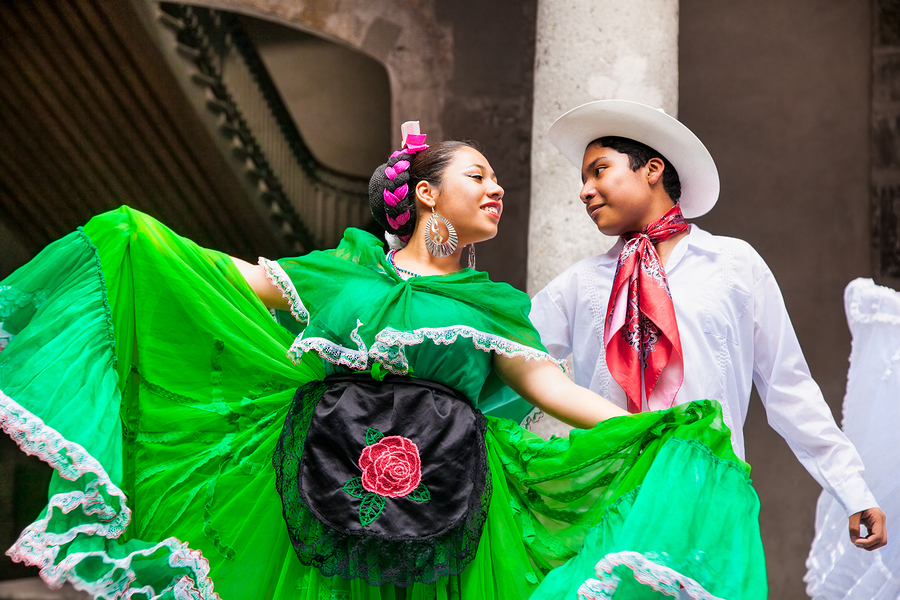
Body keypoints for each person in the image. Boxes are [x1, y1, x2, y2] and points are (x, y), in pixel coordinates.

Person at [1, 122, 765, 599]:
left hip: (452, 505)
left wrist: (654, 430)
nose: (497, 188)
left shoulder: (494, 306)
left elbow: (550, 387)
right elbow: (222, 278)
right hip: (316, 487)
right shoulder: (342, 276)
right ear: (428, 193)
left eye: (498, 180)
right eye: (479, 176)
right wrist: (142, 240)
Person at [529, 100, 888, 560]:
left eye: (598, 171)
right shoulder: (580, 283)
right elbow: (507, 353)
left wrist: (853, 489)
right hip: (607, 498)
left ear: (652, 169)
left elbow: (788, 387)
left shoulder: (735, 265)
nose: (585, 191)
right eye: (583, 179)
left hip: (708, 493)